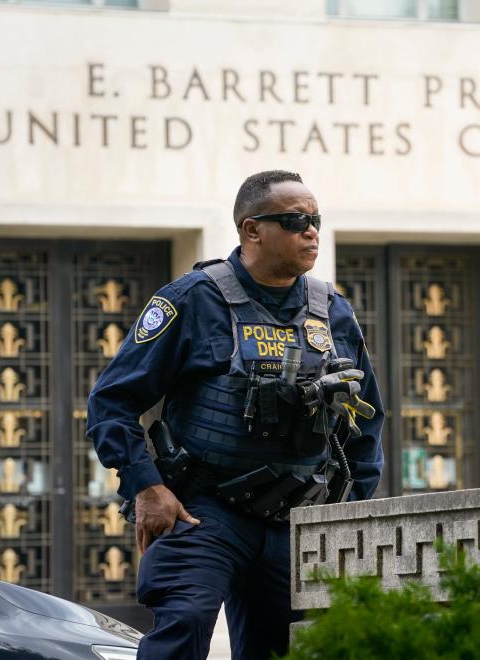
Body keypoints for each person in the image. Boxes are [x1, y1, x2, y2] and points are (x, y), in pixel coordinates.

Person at [86, 170, 384, 659]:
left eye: (315, 220)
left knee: (290, 649)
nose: (311, 231)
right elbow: (111, 401)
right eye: (294, 220)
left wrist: (351, 510)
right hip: (204, 511)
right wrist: (146, 485)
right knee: (183, 623)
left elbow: (364, 421)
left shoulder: (332, 311)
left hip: (298, 518)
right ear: (251, 230)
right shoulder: (191, 299)